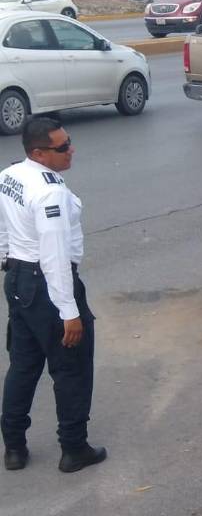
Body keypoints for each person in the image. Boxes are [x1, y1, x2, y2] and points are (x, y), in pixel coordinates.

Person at [0, 118, 106, 473]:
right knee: (71, 368)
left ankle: (14, 447)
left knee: (23, 366)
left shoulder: (11, 175)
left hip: (19, 279)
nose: (70, 150)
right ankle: (74, 448)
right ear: (39, 153)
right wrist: (69, 311)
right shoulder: (51, 193)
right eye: (62, 147)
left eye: (69, 141)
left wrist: (7, 261)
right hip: (47, 285)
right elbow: (55, 256)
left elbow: (3, 225)